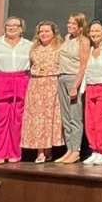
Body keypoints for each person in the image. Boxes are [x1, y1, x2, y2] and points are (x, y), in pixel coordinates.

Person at [0, 16, 33, 164]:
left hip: (21, 82)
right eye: (8, 25)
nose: (11, 28)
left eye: (15, 25)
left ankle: (13, 153)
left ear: (21, 29)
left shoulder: (29, 45)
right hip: (1, 83)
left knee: (17, 121)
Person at [20, 21, 63, 163]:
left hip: (51, 84)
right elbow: (31, 66)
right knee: (37, 118)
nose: (43, 34)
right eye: (41, 32)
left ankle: (48, 149)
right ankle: (40, 151)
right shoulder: (34, 48)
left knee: (49, 117)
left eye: (47, 31)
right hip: (36, 85)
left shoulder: (59, 48)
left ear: (53, 33)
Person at [57, 13, 91, 164]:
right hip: (62, 77)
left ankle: (76, 150)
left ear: (80, 26)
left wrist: (75, 86)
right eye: (69, 23)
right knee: (65, 117)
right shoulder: (67, 38)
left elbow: (84, 66)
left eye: (73, 24)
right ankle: (69, 149)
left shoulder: (83, 41)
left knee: (75, 116)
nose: (69, 25)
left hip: (73, 77)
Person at [82, 20, 102, 165]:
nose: (94, 34)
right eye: (92, 31)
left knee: (101, 121)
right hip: (90, 87)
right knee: (90, 122)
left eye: (97, 31)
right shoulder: (89, 49)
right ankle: (94, 150)